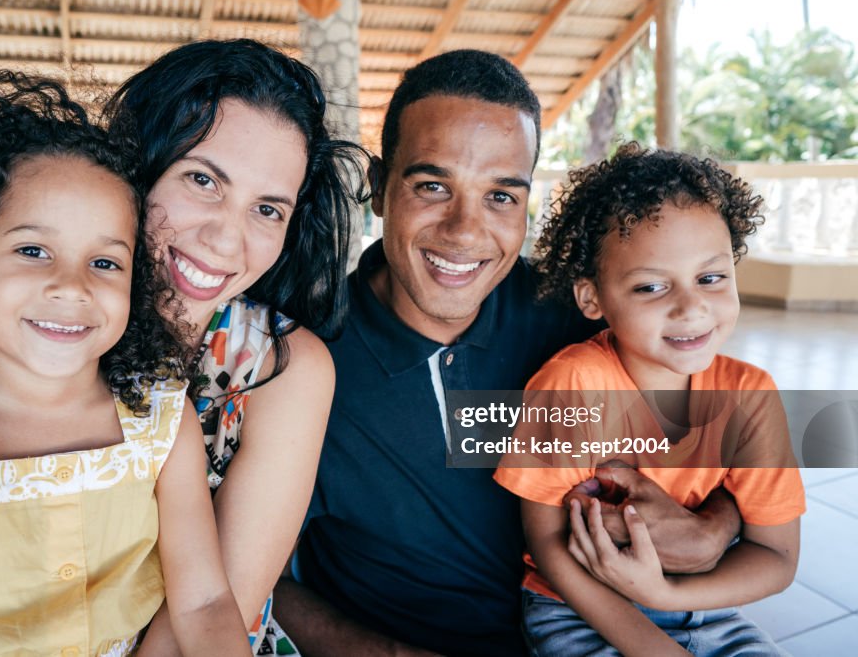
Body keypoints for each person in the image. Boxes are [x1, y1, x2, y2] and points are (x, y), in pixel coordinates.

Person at [0, 39, 365, 656]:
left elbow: (216, 603)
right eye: (201, 179)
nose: (227, 238)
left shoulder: (268, 373)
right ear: (135, 169)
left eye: (268, 208)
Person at [274, 51, 744, 657]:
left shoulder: (576, 315)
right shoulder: (299, 361)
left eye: (501, 196)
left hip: (608, 632)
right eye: (432, 186)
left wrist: (715, 529)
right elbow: (264, 583)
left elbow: (751, 431)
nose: (466, 231)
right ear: (378, 188)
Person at [494, 143, 804, 656]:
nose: (691, 307)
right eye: (652, 287)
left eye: (710, 278)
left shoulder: (749, 397)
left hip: (710, 609)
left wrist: (665, 592)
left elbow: (777, 557)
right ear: (591, 297)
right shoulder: (572, 384)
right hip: (580, 611)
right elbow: (548, 546)